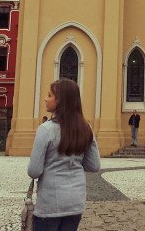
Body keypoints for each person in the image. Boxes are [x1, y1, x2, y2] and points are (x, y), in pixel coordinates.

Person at [28, 78, 100, 231]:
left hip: (50, 203)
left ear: (60, 100)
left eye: (49, 95)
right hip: (75, 202)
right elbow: (94, 165)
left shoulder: (46, 129)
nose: (45, 98)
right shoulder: (86, 128)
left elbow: (34, 171)